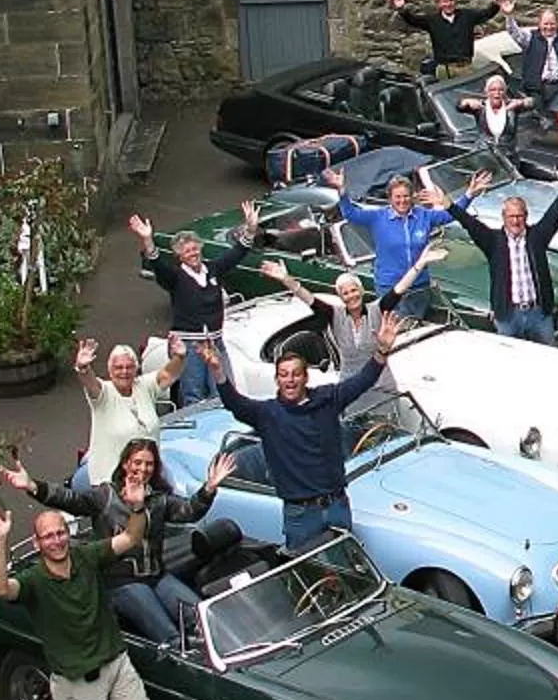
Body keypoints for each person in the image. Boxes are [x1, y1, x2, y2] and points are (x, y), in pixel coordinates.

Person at [202, 311, 397, 549]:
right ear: (277, 380)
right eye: (283, 375)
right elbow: (235, 402)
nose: (290, 380)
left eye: (295, 374)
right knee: (306, 575)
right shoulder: (267, 414)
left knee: (347, 573)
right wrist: (217, 371)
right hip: (301, 515)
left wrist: (382, 351)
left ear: (306, 377)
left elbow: (362, 381)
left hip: (337, 505)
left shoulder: (328, 398)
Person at [16, 442, 235, 649]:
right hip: (121, 582)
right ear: (125, 464)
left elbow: (189, 511)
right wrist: (32, 486)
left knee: (206, 619)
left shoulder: (159, 499)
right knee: (171, 638)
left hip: (156, 576)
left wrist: (209, 487)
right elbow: (70, 499)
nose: (143, 468)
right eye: (137, 462)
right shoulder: (106, 496)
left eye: (149, 464)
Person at [0, 498, 158, 700]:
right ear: (37, 543)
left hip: (117, 666)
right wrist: (0, 539)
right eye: (48, 536)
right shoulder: (34, 580)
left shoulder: (86, 556)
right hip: (77, 687)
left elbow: (131, 537)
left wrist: (138, 508)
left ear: (68, 534)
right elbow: (1, 589)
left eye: (60, 533)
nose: (56, 541)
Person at [129, 204, 259, 406]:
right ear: (180, 256)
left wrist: (250, 228)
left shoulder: (213, 270)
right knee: (194, 396)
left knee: (224, 391)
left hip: (215, 342)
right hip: (190, 344)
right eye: (187, 251)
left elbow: (236, 254)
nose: (193, 253)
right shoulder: (176, 277)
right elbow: (158, 265)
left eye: (195, 248)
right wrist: (147, 239)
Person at [447, 165, 558, 343]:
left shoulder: (537, 237)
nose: (515, 221)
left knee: (547, 359)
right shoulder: (493, 241)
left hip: (538, 314)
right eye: (511, 216)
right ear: (503, 217)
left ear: (526, 216)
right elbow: (469, 223)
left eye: (519, 216)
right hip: (508, 316)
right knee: (509, 363)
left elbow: (555, 212)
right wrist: (449, 206)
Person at [324, 162, 445, 321]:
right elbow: (351, 214)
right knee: (395, 328)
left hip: (419, 287)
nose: (402, 201)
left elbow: (449, 216)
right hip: (390, 287)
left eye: (406, 196)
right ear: (390, 199)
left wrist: (469, 194)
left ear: (412, 197)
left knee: (419, 328)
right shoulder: (378, 217)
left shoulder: (423, 215)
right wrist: (342, 191)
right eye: (398, 197)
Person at [70, 336, 182, 488]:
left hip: (146, 480)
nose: (124, 372)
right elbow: (90, 383)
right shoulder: (104, 393)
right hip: (111, 484)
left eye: (129, 367)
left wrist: (180, 356)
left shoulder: (144, 386)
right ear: (110, 371)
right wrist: (83, 368)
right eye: (119, 367)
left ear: (136, 369)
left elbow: (168, 375)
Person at [259, 257, 375, 369]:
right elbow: (309, 299)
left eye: (354, 290)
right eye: (345, 293)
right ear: (341, 297)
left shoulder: (375, 312)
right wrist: (286, 279)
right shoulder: (334, 315)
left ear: (361, 291)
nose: (351, 296)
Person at [389, 0, 506, 74]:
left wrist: (497, 0)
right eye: (445, 1)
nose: (448, 4)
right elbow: (413, 20)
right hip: (443, 69)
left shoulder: (467, 16)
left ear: (455, 1)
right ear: (439, 3)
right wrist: (401, 9)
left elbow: (487, 13)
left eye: (451, 0)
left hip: (466, 67)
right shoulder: (433, 20)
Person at [510, 6, 558, 118]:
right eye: (545, 24)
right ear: (539, 24)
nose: (549, 27)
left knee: (555, 121)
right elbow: (514, 32)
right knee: (536, 121)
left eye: (552, 24)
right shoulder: (530, 38)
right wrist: (509, 15)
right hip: (535, 89)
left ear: (557, 24)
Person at [455, 71, 533, 163]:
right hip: (485, 156)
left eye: (500, 90)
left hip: (508, 157)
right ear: (487, 92)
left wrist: (522, 102)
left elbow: (534, 102)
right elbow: (459, 107)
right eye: (493, 90)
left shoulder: (512, 106)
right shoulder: (481, 107)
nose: (497, 93)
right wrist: (466, 101)